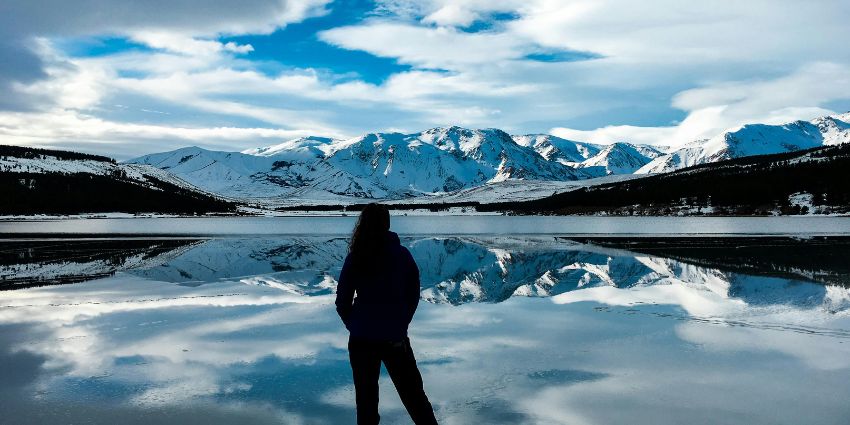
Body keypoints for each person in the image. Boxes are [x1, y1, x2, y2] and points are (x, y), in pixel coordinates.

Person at [335, 203, 438, 425]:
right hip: (394, 338)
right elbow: (412, 295)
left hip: (362, 339)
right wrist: (400, 322)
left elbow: (342, 301)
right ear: (387, 224)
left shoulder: (356, 256)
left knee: (366, 404)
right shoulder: (402, 255)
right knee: (415, 399)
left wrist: (355, 324)